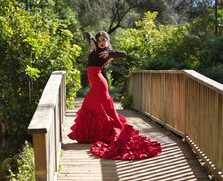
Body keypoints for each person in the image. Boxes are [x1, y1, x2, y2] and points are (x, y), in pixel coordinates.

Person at [68, 31, 162, 160]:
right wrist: (91, 41)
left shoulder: (105, 52)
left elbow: (124, 54)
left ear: (107, 41)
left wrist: (110, 53)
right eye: (99, 40)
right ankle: (96, 136)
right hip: (96, 83)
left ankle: (105, 134)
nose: (101, 42)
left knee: (88, 107)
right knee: (97, 109)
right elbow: (88, 33)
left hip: (99, 84)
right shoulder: (95, 47)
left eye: (104, 40)